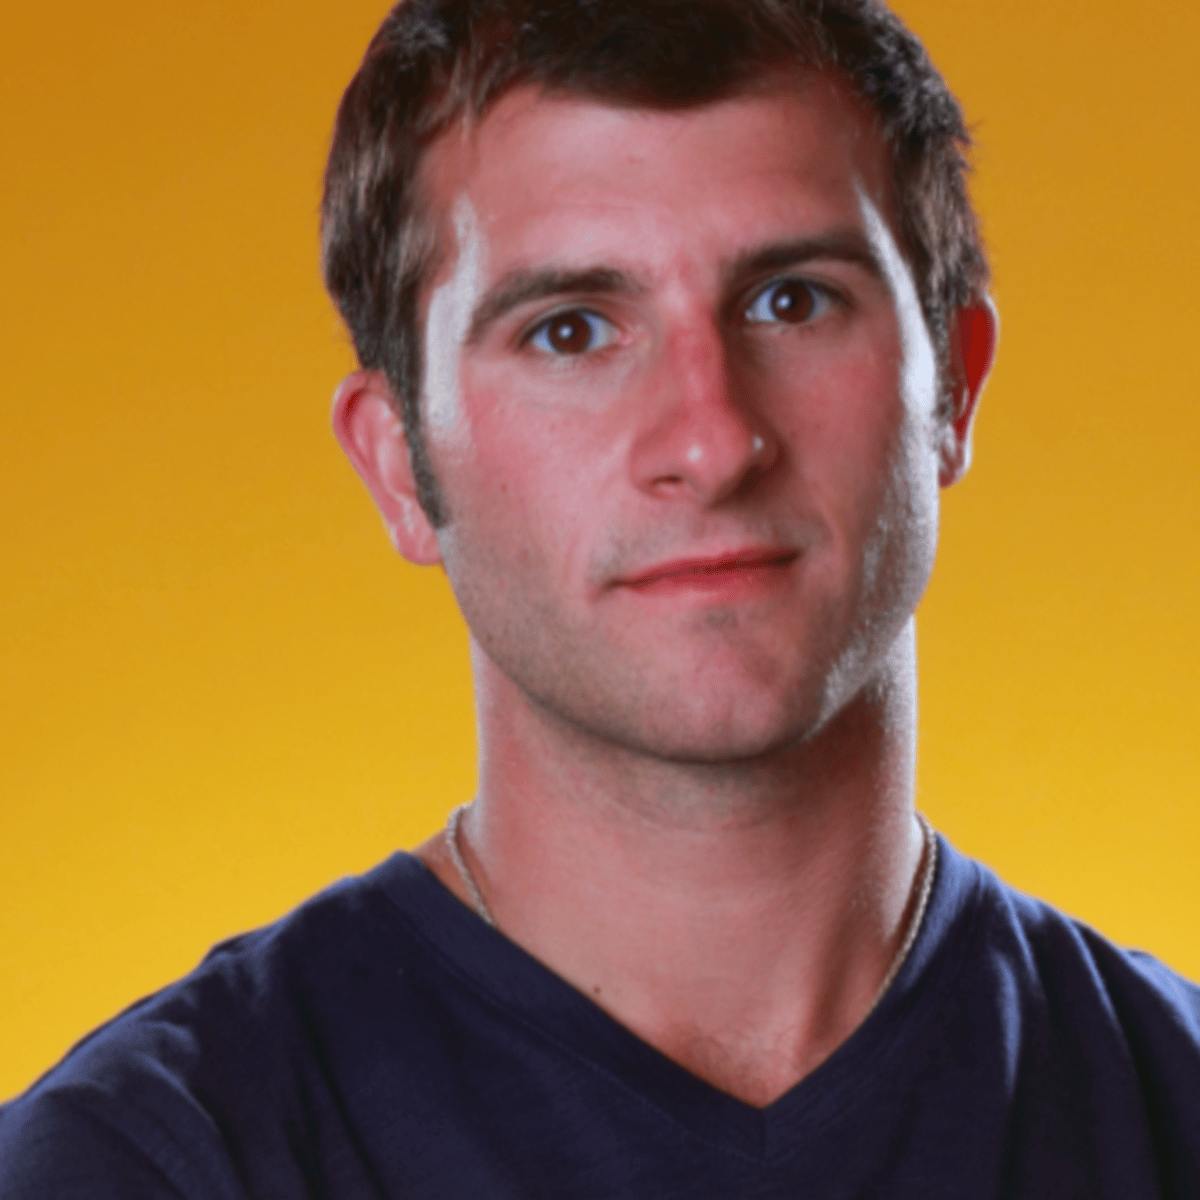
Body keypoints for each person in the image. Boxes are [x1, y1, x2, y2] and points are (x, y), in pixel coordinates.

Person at [2, 0, 1198, 1194]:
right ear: (400, 466)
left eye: (792, 300)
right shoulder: (146, 1162)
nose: (712, 443)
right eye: (570, 331)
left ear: (954, 390)